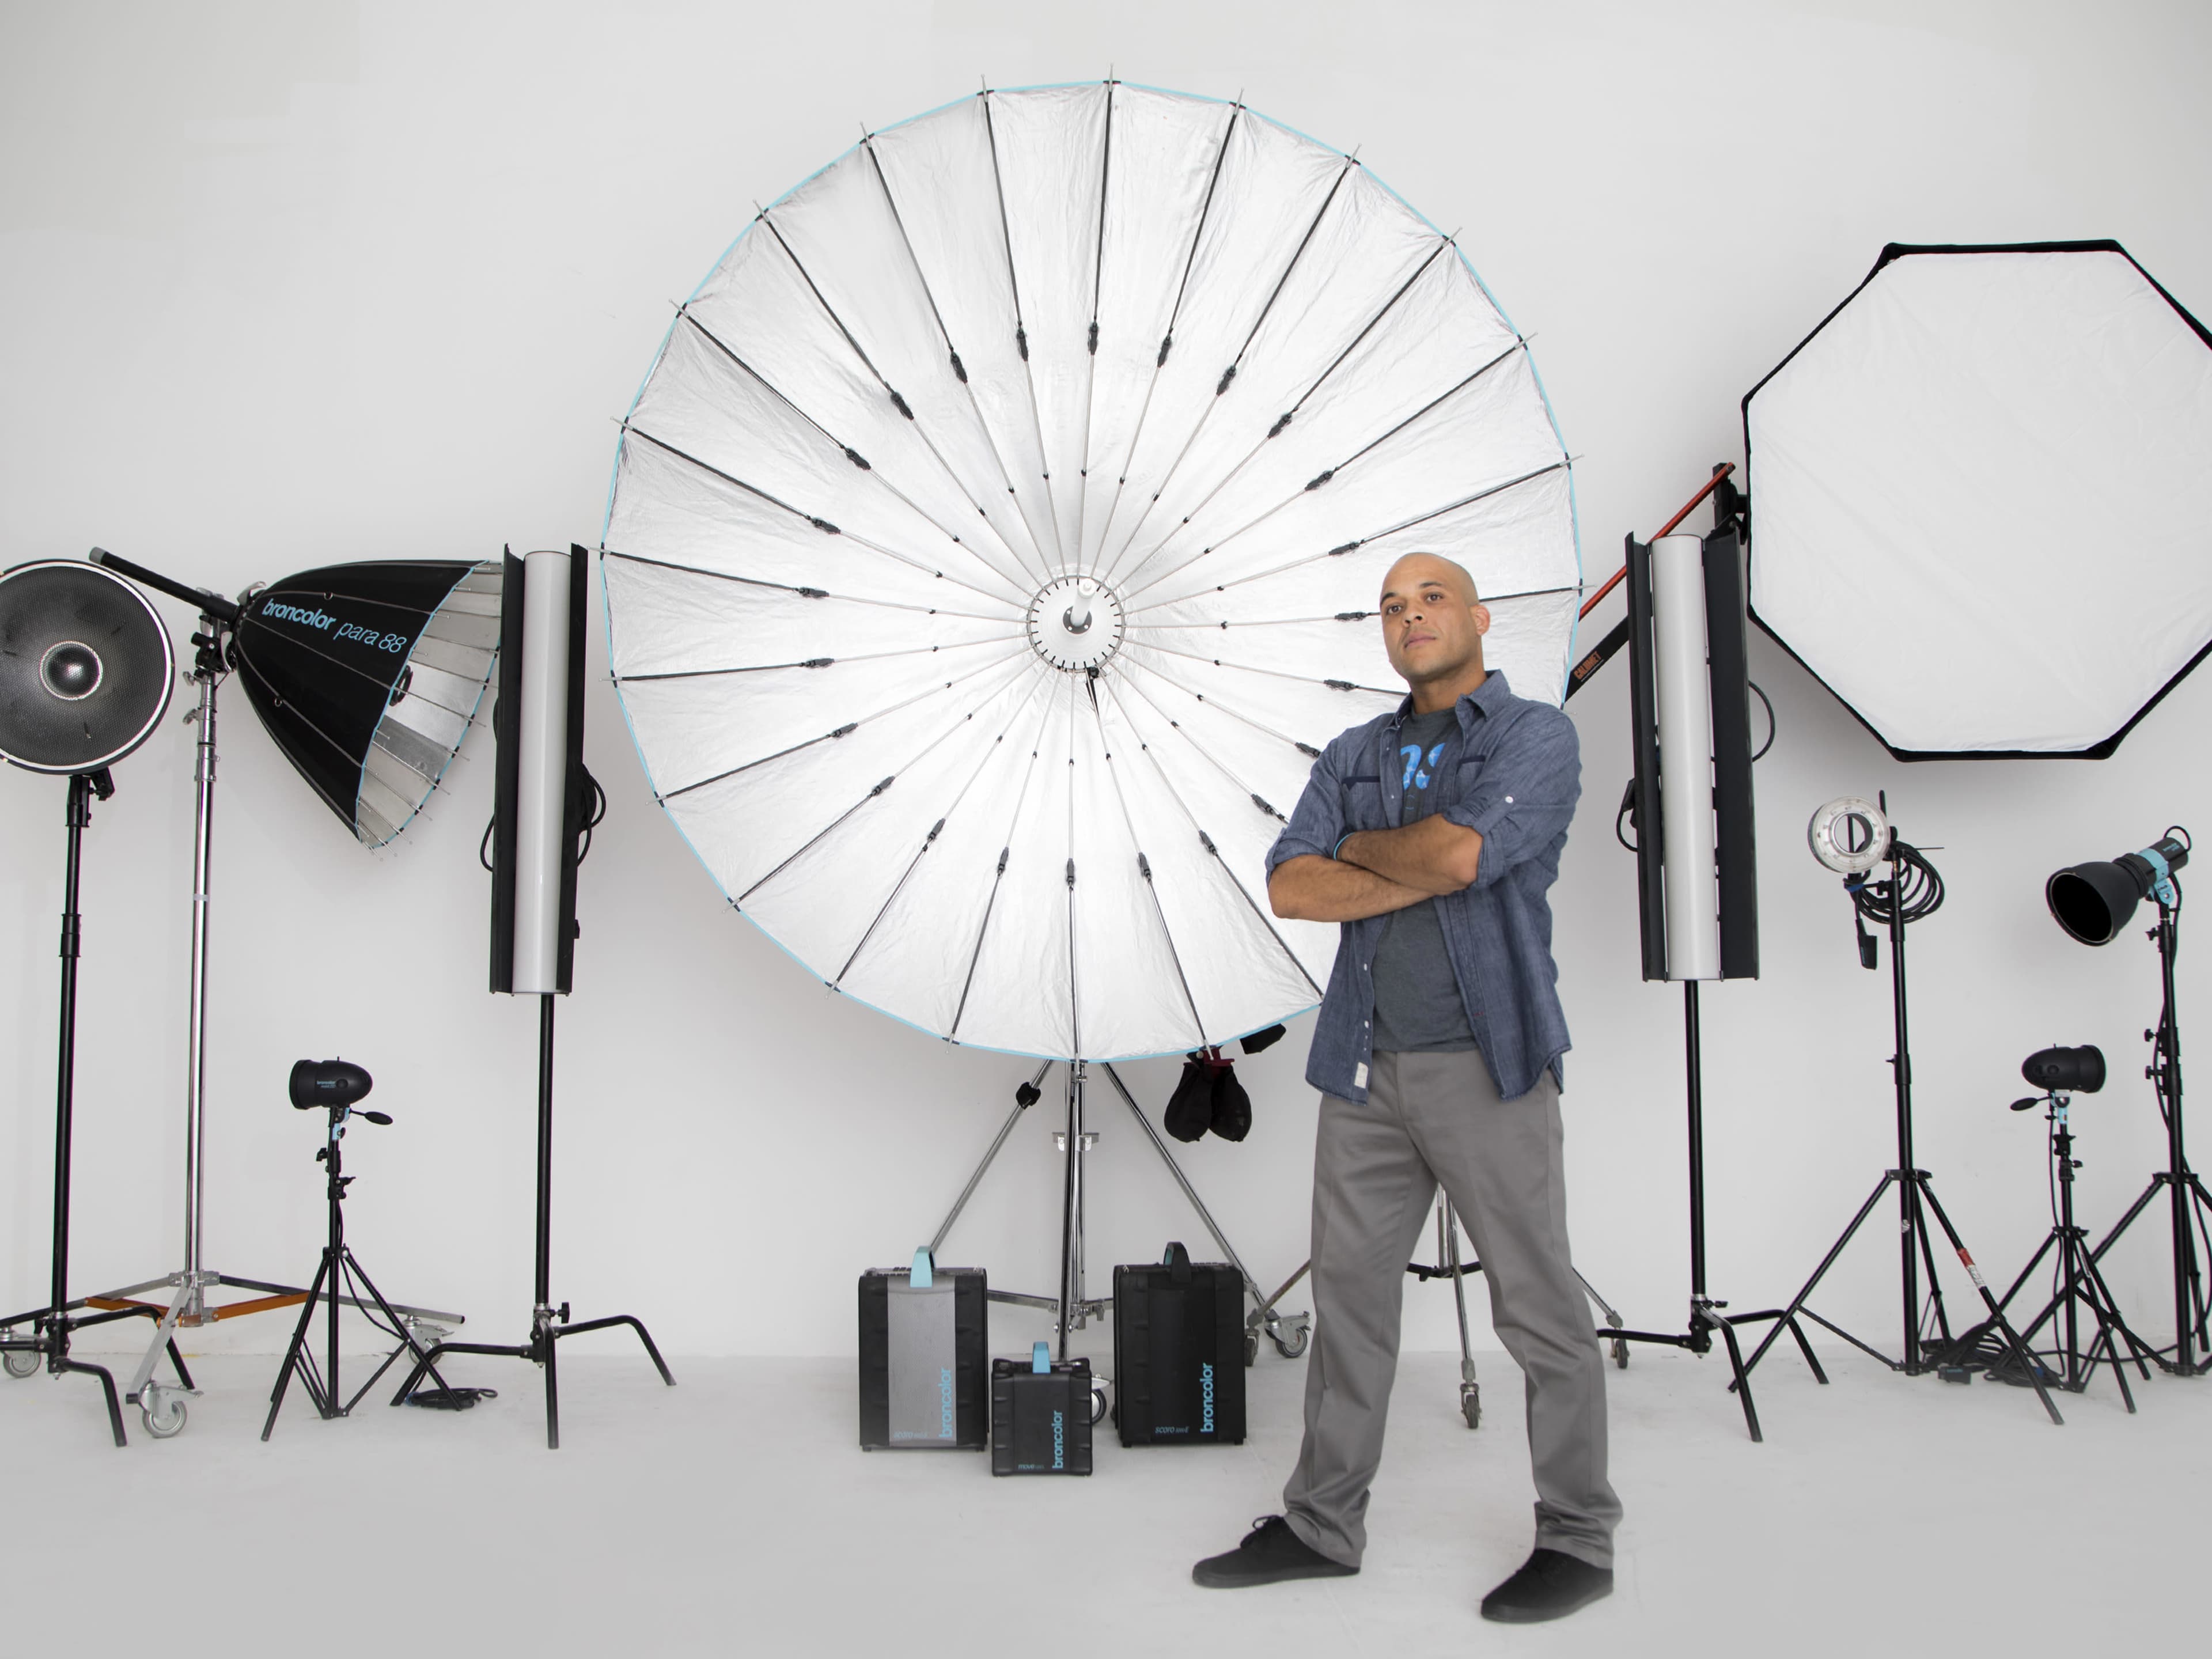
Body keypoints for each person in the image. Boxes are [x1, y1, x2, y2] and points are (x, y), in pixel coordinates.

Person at [1191, 552, 1620, 1624]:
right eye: (1391, 606)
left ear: (1478, 618)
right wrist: (1411, 858)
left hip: (1490, 1064)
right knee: (1349, 1310)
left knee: (1539, 1309)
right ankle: (1321, 1527)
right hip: (1363, 1067)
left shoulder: (1534, 736)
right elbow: (1293, 885)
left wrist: (1369, 853)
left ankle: (1578, 1536)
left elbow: (1466, 858)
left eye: (1431, 598)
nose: (1410, 616)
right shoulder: (1356, 751)